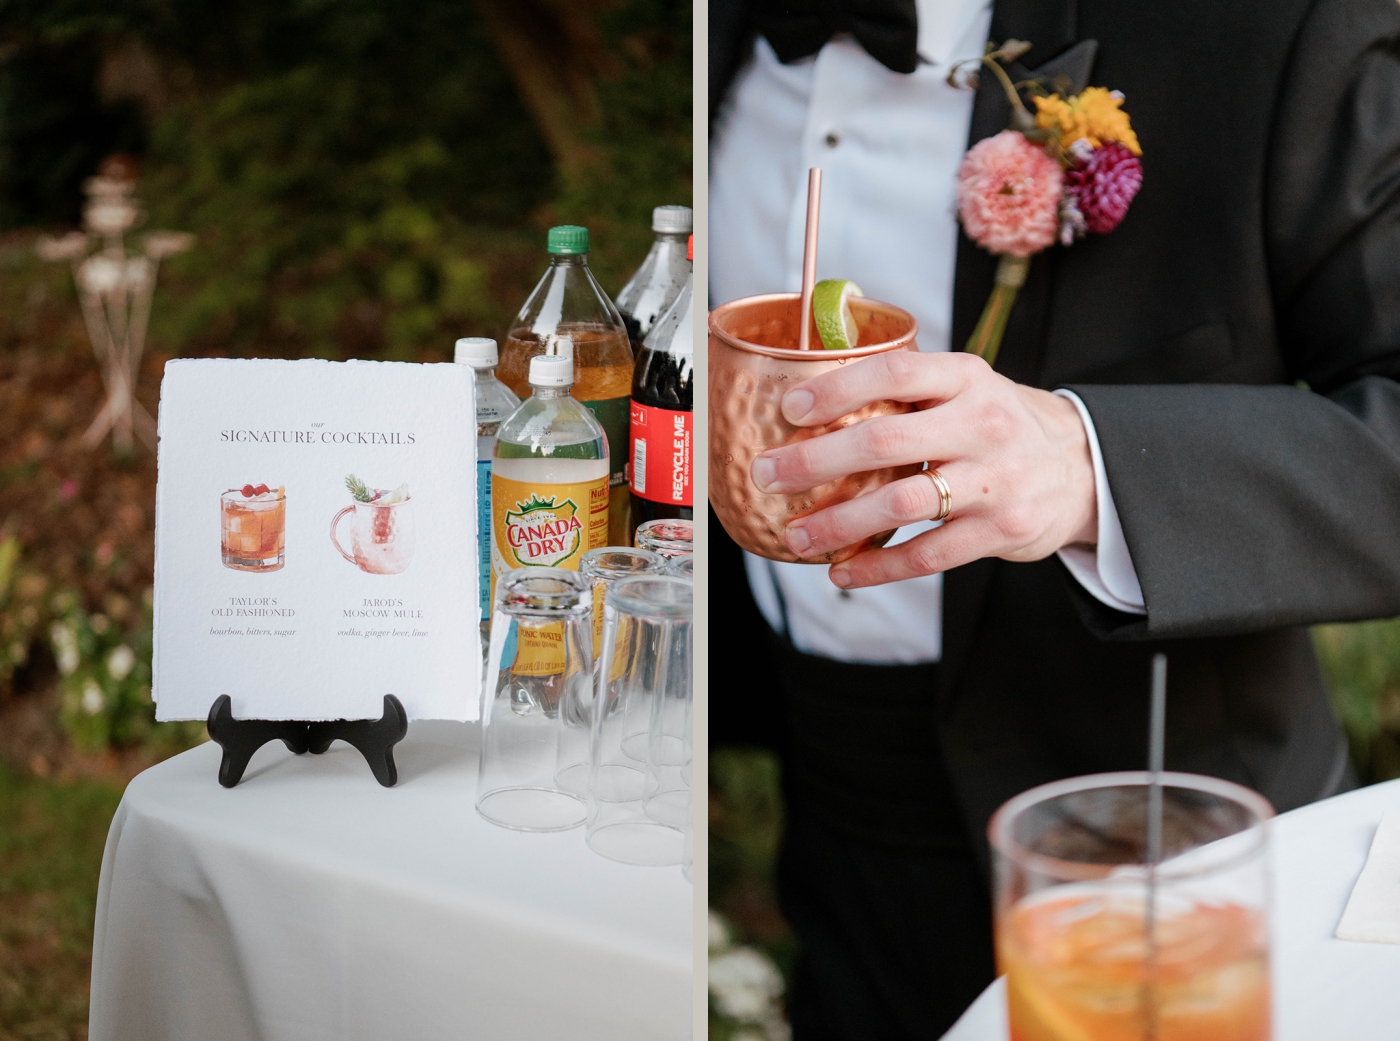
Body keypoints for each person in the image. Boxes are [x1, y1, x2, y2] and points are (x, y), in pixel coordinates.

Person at [709, 0, 1400, 1036]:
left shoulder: (1281, 25)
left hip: (1158, 866)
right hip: (826, 809)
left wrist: (1090, 467)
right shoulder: (712, 29)